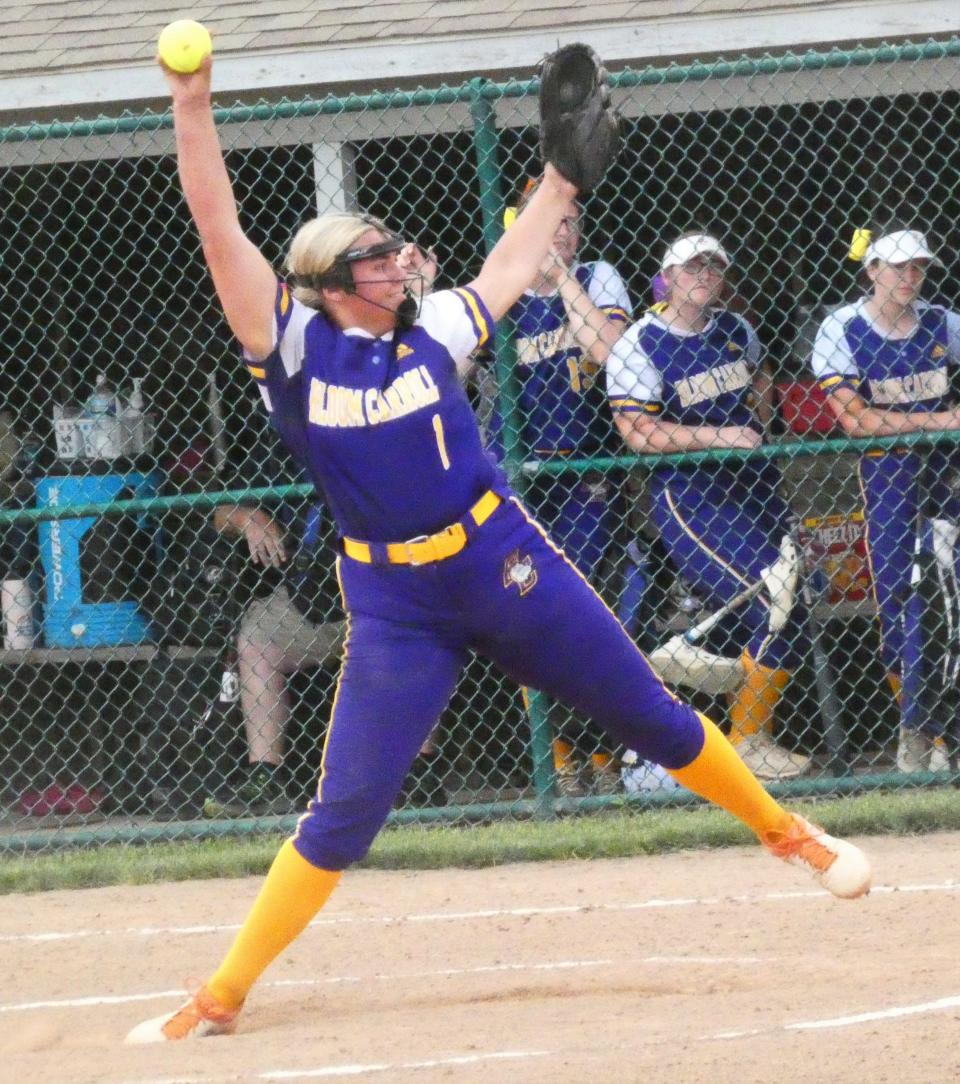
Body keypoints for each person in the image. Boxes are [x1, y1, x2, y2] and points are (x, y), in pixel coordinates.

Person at [126, 56, 871, 1044]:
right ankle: (223, 992)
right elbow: (215, 221)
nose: (401, 264)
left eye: (396, 251)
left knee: (644, 711)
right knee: (342, 812)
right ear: (327, 285)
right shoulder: (293, 350)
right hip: (396, 608)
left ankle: (787, 832)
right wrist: (191, 102)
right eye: (378, 258)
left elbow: (513, 265)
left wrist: (560, 181)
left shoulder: (434, 326)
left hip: (502, 561)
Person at [604, 233, 812, 780]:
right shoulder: (640, 343)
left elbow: (759, 381)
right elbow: (639, 434)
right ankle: (744, 738)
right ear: (668, 277)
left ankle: (721, 705)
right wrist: (720, 435)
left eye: (714, 267)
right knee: (771, 589)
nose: (704, 275)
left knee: (794, 597)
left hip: (755, 485)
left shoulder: (735, 330)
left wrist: (755, 422)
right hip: (692, 494)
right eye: (692, 267)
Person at [486, 182, 633, 796]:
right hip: (522, 478)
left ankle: (602, 761)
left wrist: (562, 278)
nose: (563, 233)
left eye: (571, 224)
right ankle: (558, 759)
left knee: (592, 613)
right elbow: (458, 365)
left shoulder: (597, 276)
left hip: (587, 471)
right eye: (552, 223)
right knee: (528, 616)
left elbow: (611, 352)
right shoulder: (503, 284)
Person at [811, 225, 960, 772]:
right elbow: (855, 421)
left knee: (948, 592)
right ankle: (916, 729)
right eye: (897, 267)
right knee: (899, 595)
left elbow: (878, 418)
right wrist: (943, 421)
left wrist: (913, 427)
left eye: (918, 267)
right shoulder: (842, 328)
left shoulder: (943, 322)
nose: (909, 277)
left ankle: (931, 734)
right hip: (888, 476)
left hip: (946, 474)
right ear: (871, 270)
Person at [204, 464, 345, 816]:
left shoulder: (376, 428)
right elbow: (215, 513)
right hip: (314, 599)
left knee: (417, 632)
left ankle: (419, 773)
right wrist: (248, 517)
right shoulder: (283, 444)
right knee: (256, 640)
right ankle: (264, 773)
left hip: (384, 590)